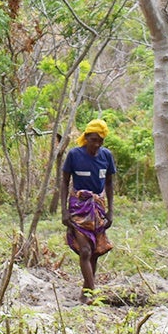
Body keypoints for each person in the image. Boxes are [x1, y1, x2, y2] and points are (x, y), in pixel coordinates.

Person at [59, 119, 116, 291]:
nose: (97, 144)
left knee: (95, 251)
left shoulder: (106, 156)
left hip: (98, 207)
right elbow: (64, 182)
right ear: (86, 137)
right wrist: (64, 211)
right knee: (84, 250)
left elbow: (109, 183)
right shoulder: (74, 155)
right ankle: (93, 292)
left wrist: (111, 211)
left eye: (100, 140)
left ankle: (87, 292)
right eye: (93, 140)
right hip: (78, 206)